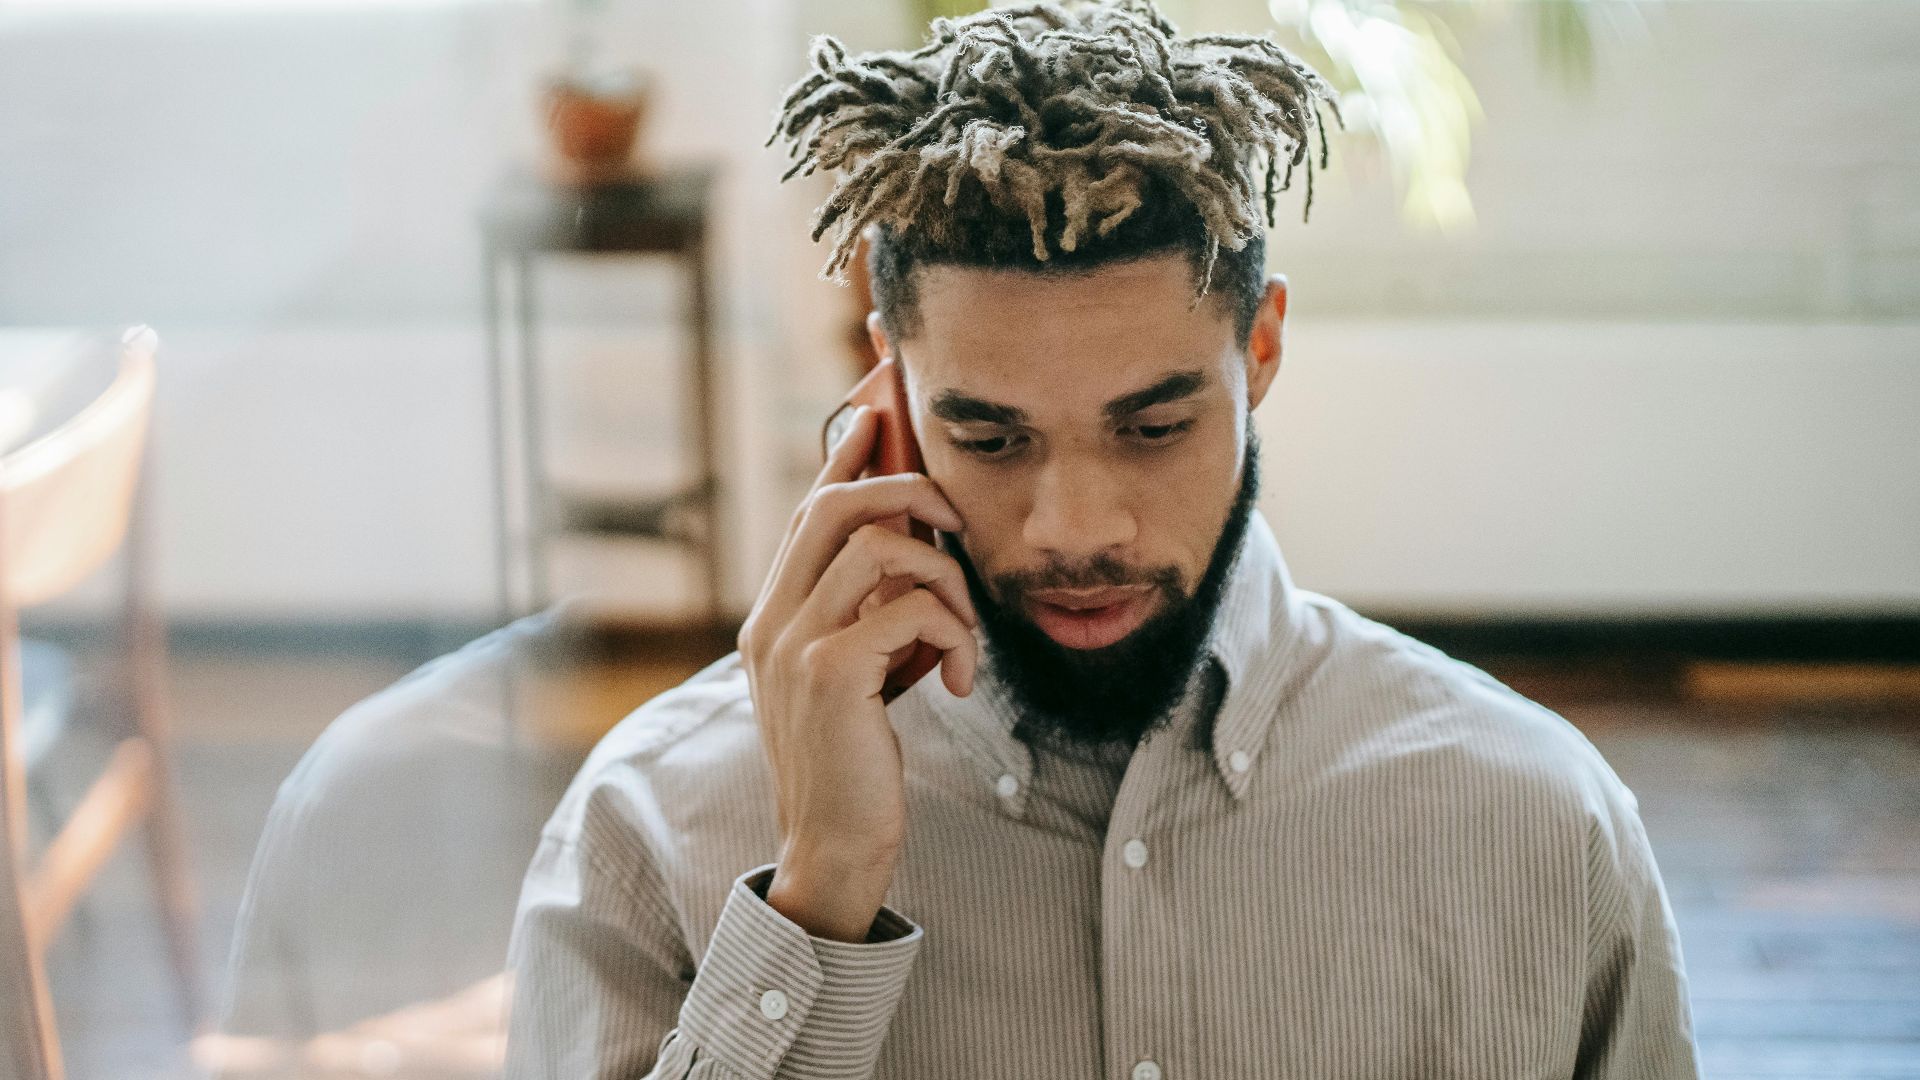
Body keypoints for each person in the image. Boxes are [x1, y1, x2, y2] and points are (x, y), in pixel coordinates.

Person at [504, 2, 1700, 1077]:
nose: (1074, 529)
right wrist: (815, 899)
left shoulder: (1538, 829)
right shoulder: (649, 832)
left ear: (1263, 351)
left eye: (1154, 426)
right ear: (889, 384)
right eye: (989, 437)